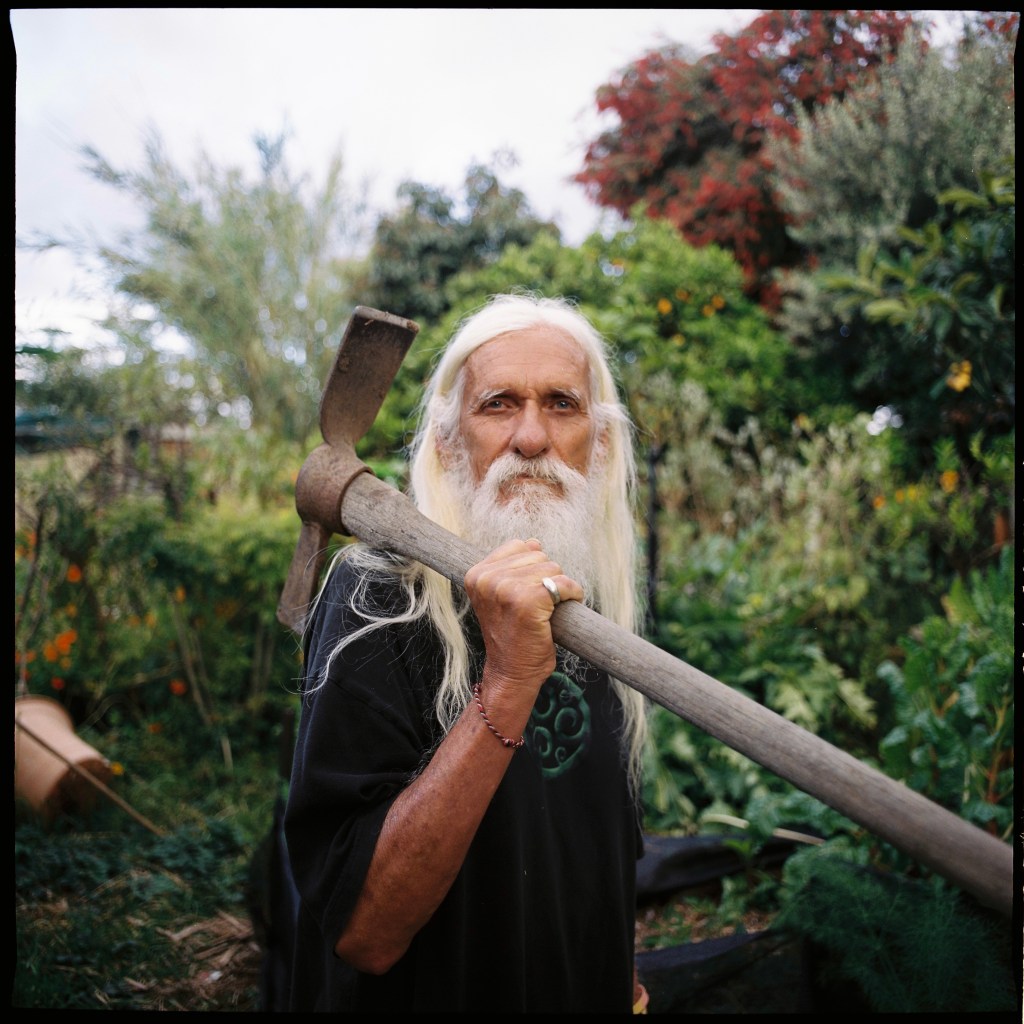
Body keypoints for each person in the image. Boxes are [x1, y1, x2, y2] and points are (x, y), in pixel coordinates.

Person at [283, 292, 650, 1013]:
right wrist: (508, 681)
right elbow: (365, 932)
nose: (531, 438)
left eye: (562, 405)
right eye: (498, 404)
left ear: (600, 443)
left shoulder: (594, 597)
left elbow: (597, 841)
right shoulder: (376, 600)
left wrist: (616, 969)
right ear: (450, 442)